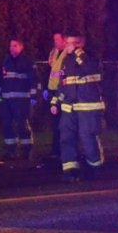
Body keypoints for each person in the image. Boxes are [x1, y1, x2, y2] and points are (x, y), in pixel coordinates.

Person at [50, 31, 105, 182]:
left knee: (87, 138)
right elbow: (64, 84)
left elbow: (89, 69)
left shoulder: (91, 58)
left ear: (79, 45)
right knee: (66, 138)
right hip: (69, 108)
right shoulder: (67, 61)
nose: (66, 46)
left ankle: (95, 168)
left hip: (88, 108)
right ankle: (70, 171)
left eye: (69, 43)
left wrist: (78, 53)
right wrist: (56, 101)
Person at [0, 37, 38, 160]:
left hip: (22, 99)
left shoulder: (27, 62)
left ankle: (26, 150)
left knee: (22, 124)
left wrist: (33, 95)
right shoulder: (5, 62)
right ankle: (11, 150)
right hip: (6, 100)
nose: (12, 48)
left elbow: (34, 80)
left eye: (15, 46)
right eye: (11, 46)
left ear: (21, 47)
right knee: (7, 124)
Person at [42, 32, 68, 160]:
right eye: (54, 39)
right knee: (55, 123)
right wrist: (46, 88)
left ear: (64, 40)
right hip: (53, 90)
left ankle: (61, 150)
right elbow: (50, 71)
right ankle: (56, 150)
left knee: (62, 123)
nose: (55, 42)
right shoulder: (54, 52)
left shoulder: (67, 54)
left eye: (57, 39)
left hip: (62, 91)